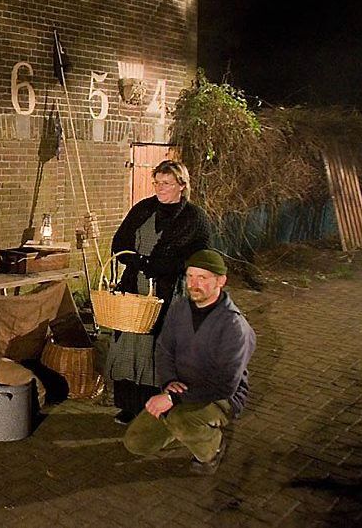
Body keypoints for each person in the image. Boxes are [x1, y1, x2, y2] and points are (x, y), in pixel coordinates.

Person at [123, 249, 256, 475]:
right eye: (190, 276)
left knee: (181, 419)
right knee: (136, 443)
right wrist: (169, 382)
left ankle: (212, 449)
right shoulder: (179, 308)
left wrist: (172, 398)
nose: (194, 284)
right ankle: (182, 428)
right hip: (180, 387)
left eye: (202, 278)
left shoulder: (233, 326)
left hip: (219, 397)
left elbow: (225, 384)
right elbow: (164, 349)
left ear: (221, 281)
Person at [105, 160, 211, 424]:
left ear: (181, 186)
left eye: (166, 183)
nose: (159, 188)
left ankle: (161, 407)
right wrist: (138, 262)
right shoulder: (143, 209)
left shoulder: (194, 219)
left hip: (169, 291)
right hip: (135, 290)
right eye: (157, 182)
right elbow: (119, 242)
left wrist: (164, 267)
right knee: (131, 343)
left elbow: (202, 257)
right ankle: (130, 406)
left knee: (159, 347)